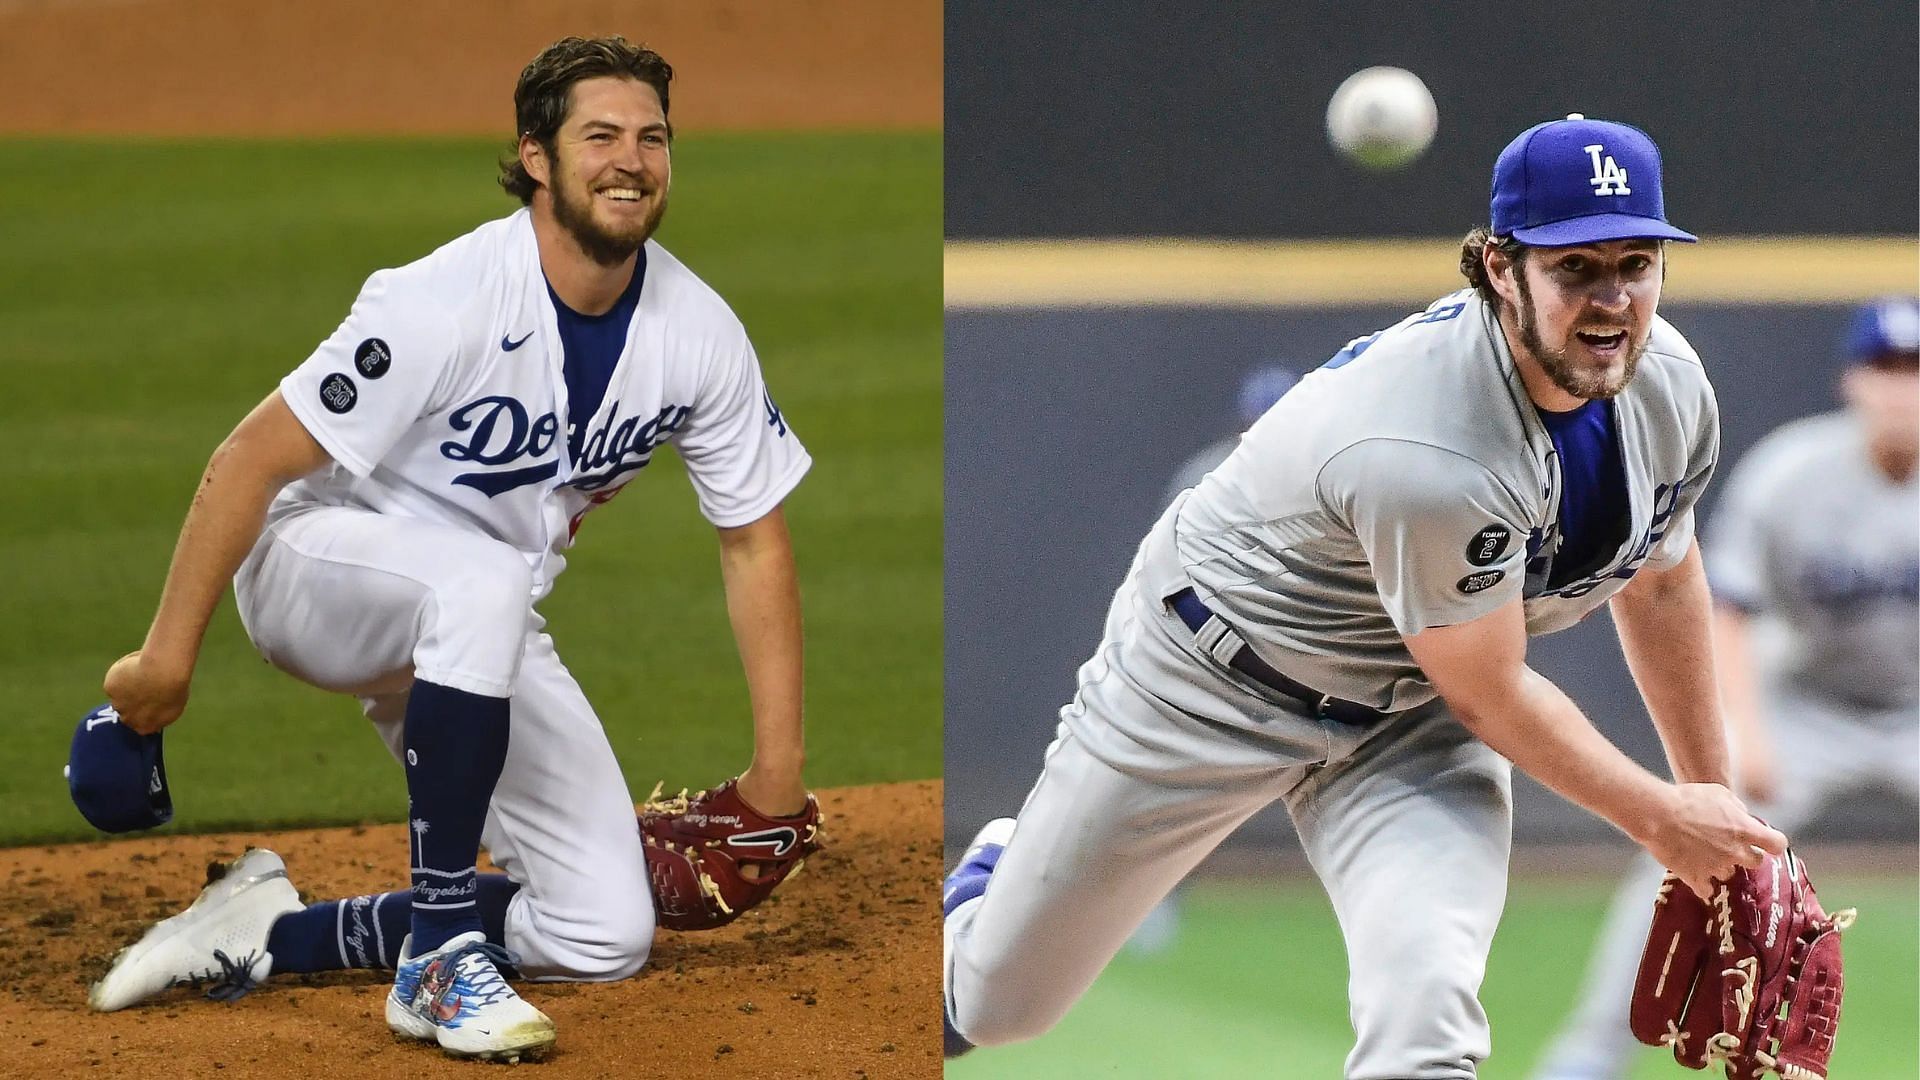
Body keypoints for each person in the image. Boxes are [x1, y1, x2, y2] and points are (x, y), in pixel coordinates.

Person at [942, 114, 1790, 1079]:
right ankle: (989, 886)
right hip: (1207, 685)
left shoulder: (1668, 385)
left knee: (1426, 1013)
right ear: (1499, 270)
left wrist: (1716, 812)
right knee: (997, 1004)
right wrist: (1662, 824)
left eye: (1635, 262)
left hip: (1405, 720)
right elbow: (1493, 692)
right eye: (1574, 269)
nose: (1611, 300)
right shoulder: (1425, 447)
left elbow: (1664, 574)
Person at [84, 36, 812, 1063]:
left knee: (604, 932)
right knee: (482, 579)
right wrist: (162, 665)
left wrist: (779, 771)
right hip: (315, 569)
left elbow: (753, 542)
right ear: (537, 156)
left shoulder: (698, 334)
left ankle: (265, 930)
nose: (632, 159)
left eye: (653, 138)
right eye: (600, 135)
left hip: (479, 623)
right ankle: (436, 958)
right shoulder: (446, 298)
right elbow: (248, 460)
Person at [1532, 294, 1919, 1080]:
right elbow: (1727, 612)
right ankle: (1586, 1057)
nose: (1900, 388)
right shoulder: (1793, 473)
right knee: (1692, 840)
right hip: (1804, 705)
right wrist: (1743, 737)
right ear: (1852, 382)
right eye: (1884, 368)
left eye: (1915, 370)